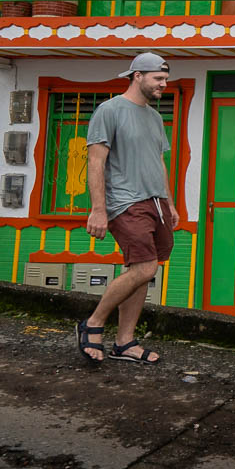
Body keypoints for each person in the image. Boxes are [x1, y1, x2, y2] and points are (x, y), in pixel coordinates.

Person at [75, 52, 179, 366]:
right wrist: (98, 209)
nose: (163, 84)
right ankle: (93, 323)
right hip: (125, 201)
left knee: (142, 271)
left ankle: (125, 342)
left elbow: (159, 162)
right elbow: (96, 162)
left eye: (165, 79)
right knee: (146, 268)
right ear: (137, 76)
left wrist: (169, 202)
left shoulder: (155, 116)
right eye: (158, 79)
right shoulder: (110, 110)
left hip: (156, 203)